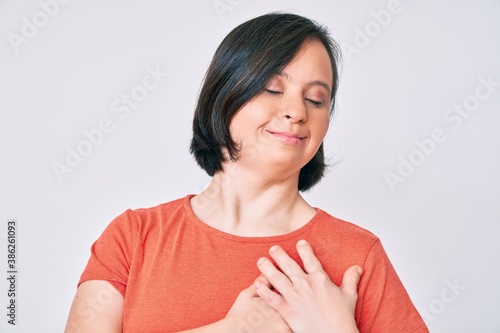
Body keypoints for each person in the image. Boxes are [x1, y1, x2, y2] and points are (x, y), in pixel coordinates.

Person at [65, 13, 429, 333]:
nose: (296, 111)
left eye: (316, 99)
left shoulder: (357, 256)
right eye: (273, 88)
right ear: (223, 95)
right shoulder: (134, 238)